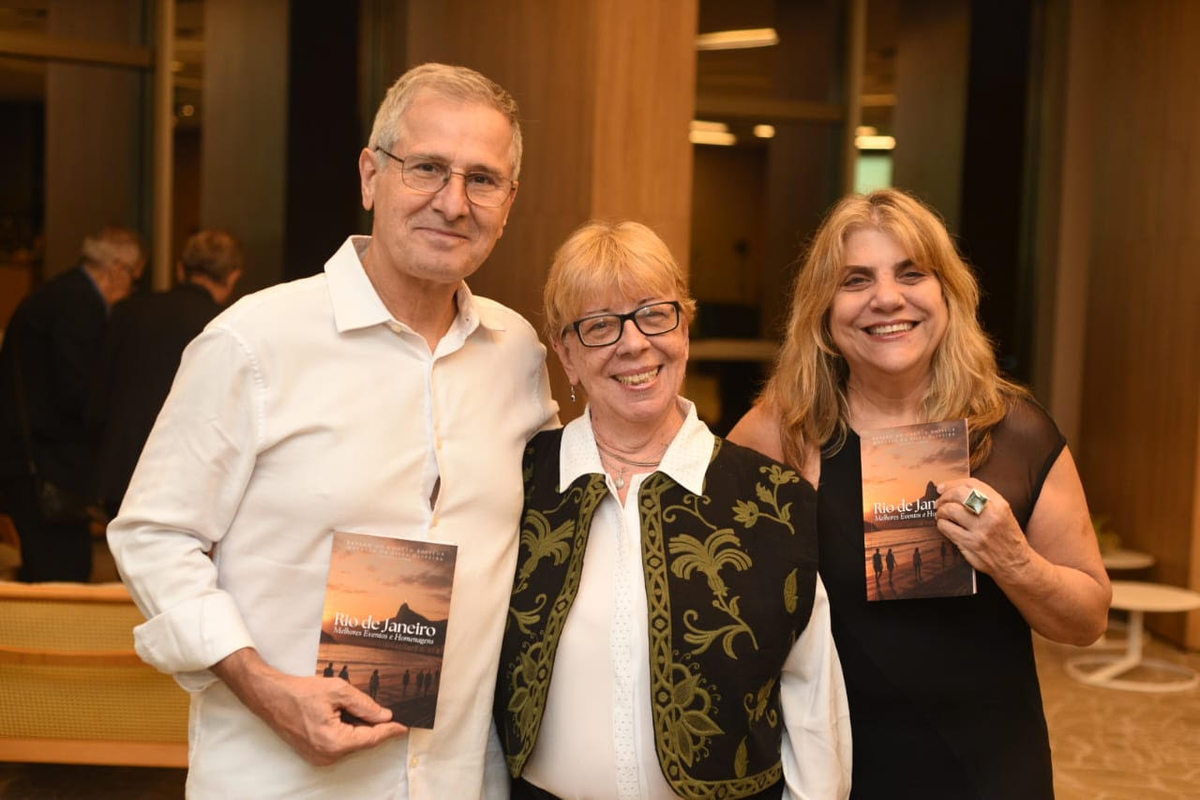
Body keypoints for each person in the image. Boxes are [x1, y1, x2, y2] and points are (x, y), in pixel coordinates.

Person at [107, 63, 557, 798]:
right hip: (280, 779)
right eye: (427, 168)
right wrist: (262, 685)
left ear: (508, 204)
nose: (452, 202)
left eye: (482, 179)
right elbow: (154, 536)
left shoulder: (517, 354)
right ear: (371, 176)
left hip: (457, 777)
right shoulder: (256, 342)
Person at [729, 188, 1111, 798]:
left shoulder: (1013, 433)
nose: (886, 298)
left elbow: (1087, 619)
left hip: (987, 768)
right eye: (856, 280)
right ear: (823, 309)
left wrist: (1013, 559)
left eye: (912, 274)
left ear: (948, 295)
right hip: (831, 768)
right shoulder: (782, 433)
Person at [494, 221, 851, 799]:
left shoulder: (774, 500)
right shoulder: (520, 482)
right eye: (600, 325)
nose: (634, 343)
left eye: (654, 314)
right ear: (566, 353)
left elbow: (813, 707)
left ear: (684, 326)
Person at [0, 225, 144, 582]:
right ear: (117, 268)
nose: (131, 289)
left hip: (30, 460)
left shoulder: (58, 294)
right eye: (134, 277)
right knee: (62, 576)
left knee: (49, 570)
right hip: (47, 467)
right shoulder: (80, 304)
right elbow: (79, 392)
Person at [92, 229, 243, 517]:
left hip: (124, 468)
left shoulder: (128, 311)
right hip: (189, 475)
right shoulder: (226, 325)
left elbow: (99, 393)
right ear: (233, 277)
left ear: (180, 269)